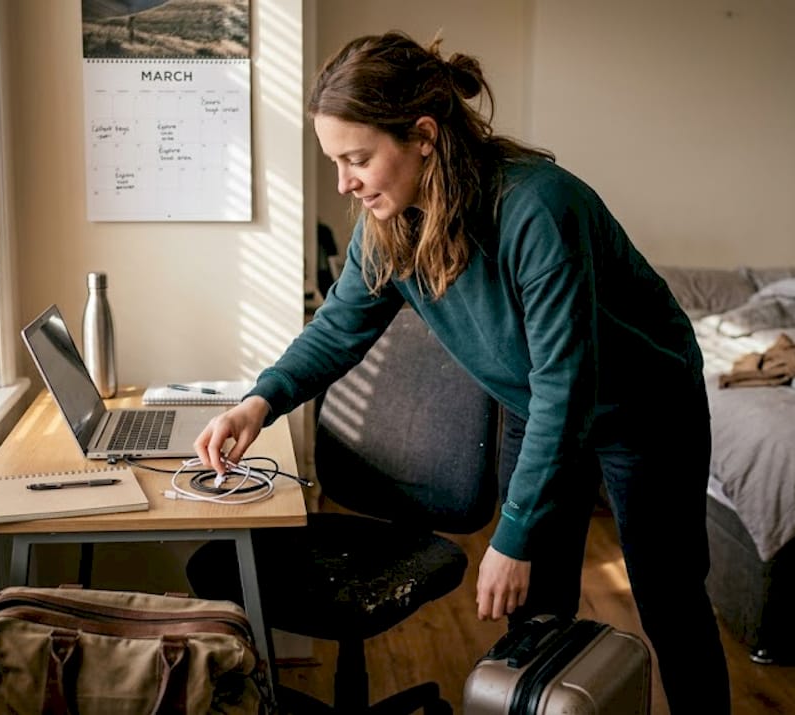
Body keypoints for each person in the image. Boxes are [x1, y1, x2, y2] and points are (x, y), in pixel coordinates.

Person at [195, 30, 730, 713]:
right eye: (336, 161)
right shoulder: (387, 223)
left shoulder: (538, 208)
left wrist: (512, 534)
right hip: (536, 406)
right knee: (535, 612)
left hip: (642, 408)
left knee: (668, 602)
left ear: (422, 134)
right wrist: (258, 402)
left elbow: (566, 386)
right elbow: (338, 328)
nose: (344, 182)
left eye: (357, 159)